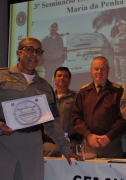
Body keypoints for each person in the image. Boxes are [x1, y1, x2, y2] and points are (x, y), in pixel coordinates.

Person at [0, 37, 83, 180]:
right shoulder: (2, 77)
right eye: (29, 49)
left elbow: (53, 123)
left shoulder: (45, 87)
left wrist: (65, 149)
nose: (34, 54)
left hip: (33, 149)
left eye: (38, 51)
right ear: (18, 52)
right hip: (5, 145)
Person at [72, 56, 126, 158]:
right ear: (91, 70)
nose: (99, 72)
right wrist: (88, 135)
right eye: (96, 69)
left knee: (111, 174)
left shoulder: (118, 91)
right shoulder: (84, 92)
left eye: (103, 69)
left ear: (108, 70)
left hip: (111, 145)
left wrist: (109, 136)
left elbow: (123, 118)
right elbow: (76, 118)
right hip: (89, 145)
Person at [43, 67, 82, 157]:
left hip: (70, 144)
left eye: (65, 76)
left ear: (69, 80)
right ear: (54, 79)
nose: (62, 78)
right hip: (49, 145)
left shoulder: (76, 97)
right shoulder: (46, 98)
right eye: (59, 76)